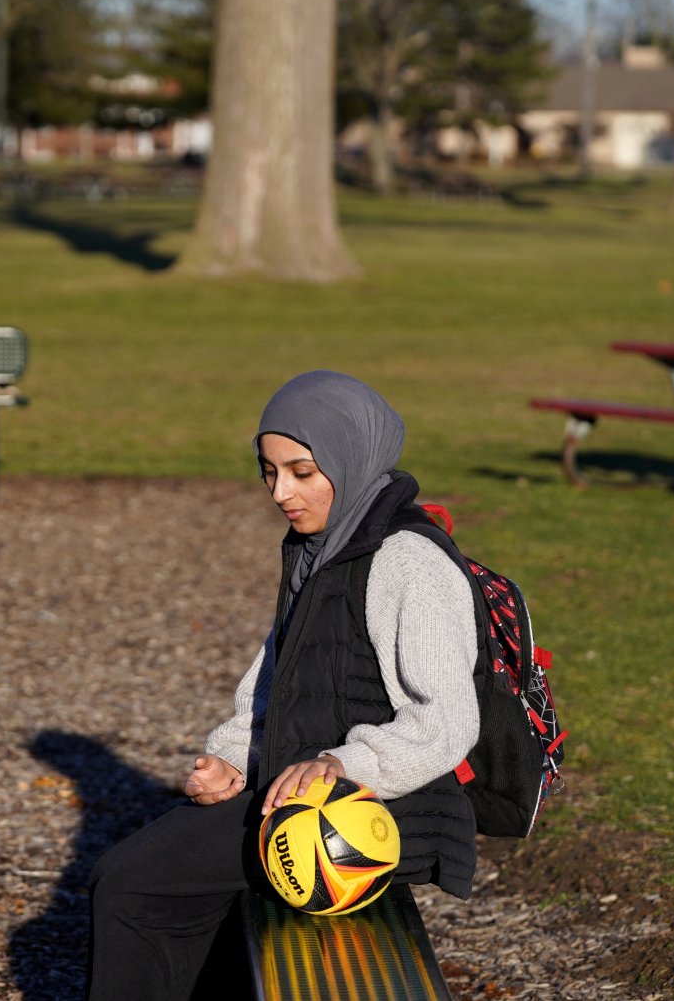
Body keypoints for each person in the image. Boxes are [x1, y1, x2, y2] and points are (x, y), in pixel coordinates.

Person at [86, 370, 480, 1000]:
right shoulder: (323, 545)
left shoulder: (406, 562)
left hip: (383, 806)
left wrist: (341, 763)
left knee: (131, 886)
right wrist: (233, 757)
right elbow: (278, 680)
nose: (279, 492)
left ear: (351, 458)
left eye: (301, 471)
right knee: (156, 877)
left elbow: (447, 722)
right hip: (312, 787)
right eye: (268, 472)